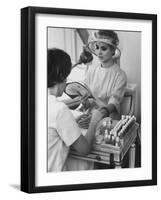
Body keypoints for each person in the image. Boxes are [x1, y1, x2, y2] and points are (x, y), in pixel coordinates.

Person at [47, 48, 103, 172]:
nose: (66, 81)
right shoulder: (59, 109)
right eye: (66, 76)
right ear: (60, 77)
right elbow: (85, 149)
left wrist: (73, 120)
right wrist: (94, 121)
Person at [78, 30, 127, 129]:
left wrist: (97, 116)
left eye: (104, 48)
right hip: (90, 115)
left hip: (108, 119)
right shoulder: (91, 70)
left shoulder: (120, 75)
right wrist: (85, 102)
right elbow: (89, 99)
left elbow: (114, 102)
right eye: (97, 47)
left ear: (113, 50)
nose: (99, 52)